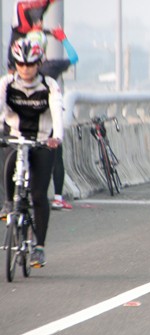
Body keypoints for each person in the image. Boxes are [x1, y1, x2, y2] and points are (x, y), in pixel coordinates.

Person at [0, 37, 63, 267]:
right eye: (21, 64)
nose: (25, 69)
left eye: (30, 64)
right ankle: (8, 203)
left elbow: (57, 111)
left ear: (39, 63)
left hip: (43, 142)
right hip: (15, 137)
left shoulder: (49, 85)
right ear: (15, 64)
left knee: (38, 195)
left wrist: (58, 137)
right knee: (8, 160)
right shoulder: (6, 83)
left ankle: (39, 247)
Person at [26, 30, 79, 210]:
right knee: (56, 159)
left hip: (26, 118)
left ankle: (21, 197)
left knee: (24, 155)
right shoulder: (51, 66)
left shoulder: (18, 68)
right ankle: (57, 198)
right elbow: (74, 57)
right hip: (48, 118)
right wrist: (62, 37)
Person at [7, 0, 60, 72]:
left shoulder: (42, 4)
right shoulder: (39, 5)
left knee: (13, 65)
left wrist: (52, 32)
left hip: (20, 31)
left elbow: (36, 27)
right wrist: (52, 32)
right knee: (14, 65)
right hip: (21, 33)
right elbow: (36, 27)